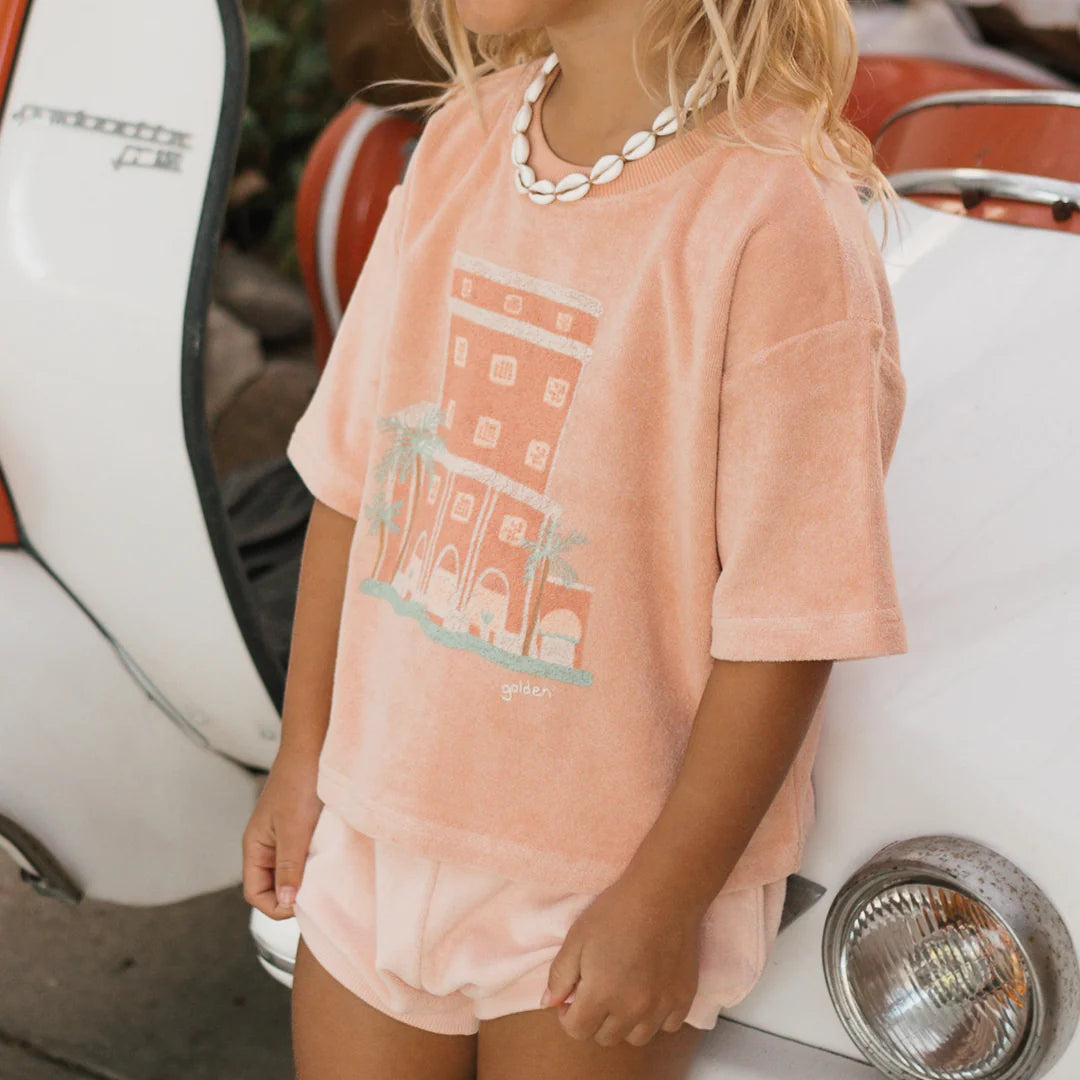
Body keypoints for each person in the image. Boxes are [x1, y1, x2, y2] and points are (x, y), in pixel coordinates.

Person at [241, 1, 909, 1076]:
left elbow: (789, 622)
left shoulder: (775, 221)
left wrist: (664, 896)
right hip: (380, 820)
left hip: (600, 876)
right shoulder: (464, 138)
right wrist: (303, 755)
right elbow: (353, 481)